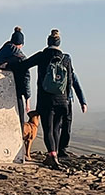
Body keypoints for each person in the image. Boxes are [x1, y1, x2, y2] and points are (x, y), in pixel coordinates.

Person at [17, 29, 85, 170]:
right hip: (63, 101)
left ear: (48, 42)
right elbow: (70, 80)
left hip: (46, 100)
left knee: (48, 129)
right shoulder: (66, 58)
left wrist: (9, 65)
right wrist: (68, 99)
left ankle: (52, 156)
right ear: (59, 44)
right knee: (56, 129)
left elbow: (23, 65)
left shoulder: (42, 56)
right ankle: (53, 156)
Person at [0, 26, 31, 120]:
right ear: (20, 44)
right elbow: (26, 76)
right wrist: (27, 98)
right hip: (14, 91)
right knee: (19, 118)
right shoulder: (19, 56)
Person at [58, 71, 87, 160]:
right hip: (67, 101)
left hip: (54, 102)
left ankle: (54, 150)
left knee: (56, 127)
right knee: (66, 126)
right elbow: (78, 87)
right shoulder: (70, 73)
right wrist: (83, 102)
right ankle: (61, 150)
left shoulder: (51, 70)